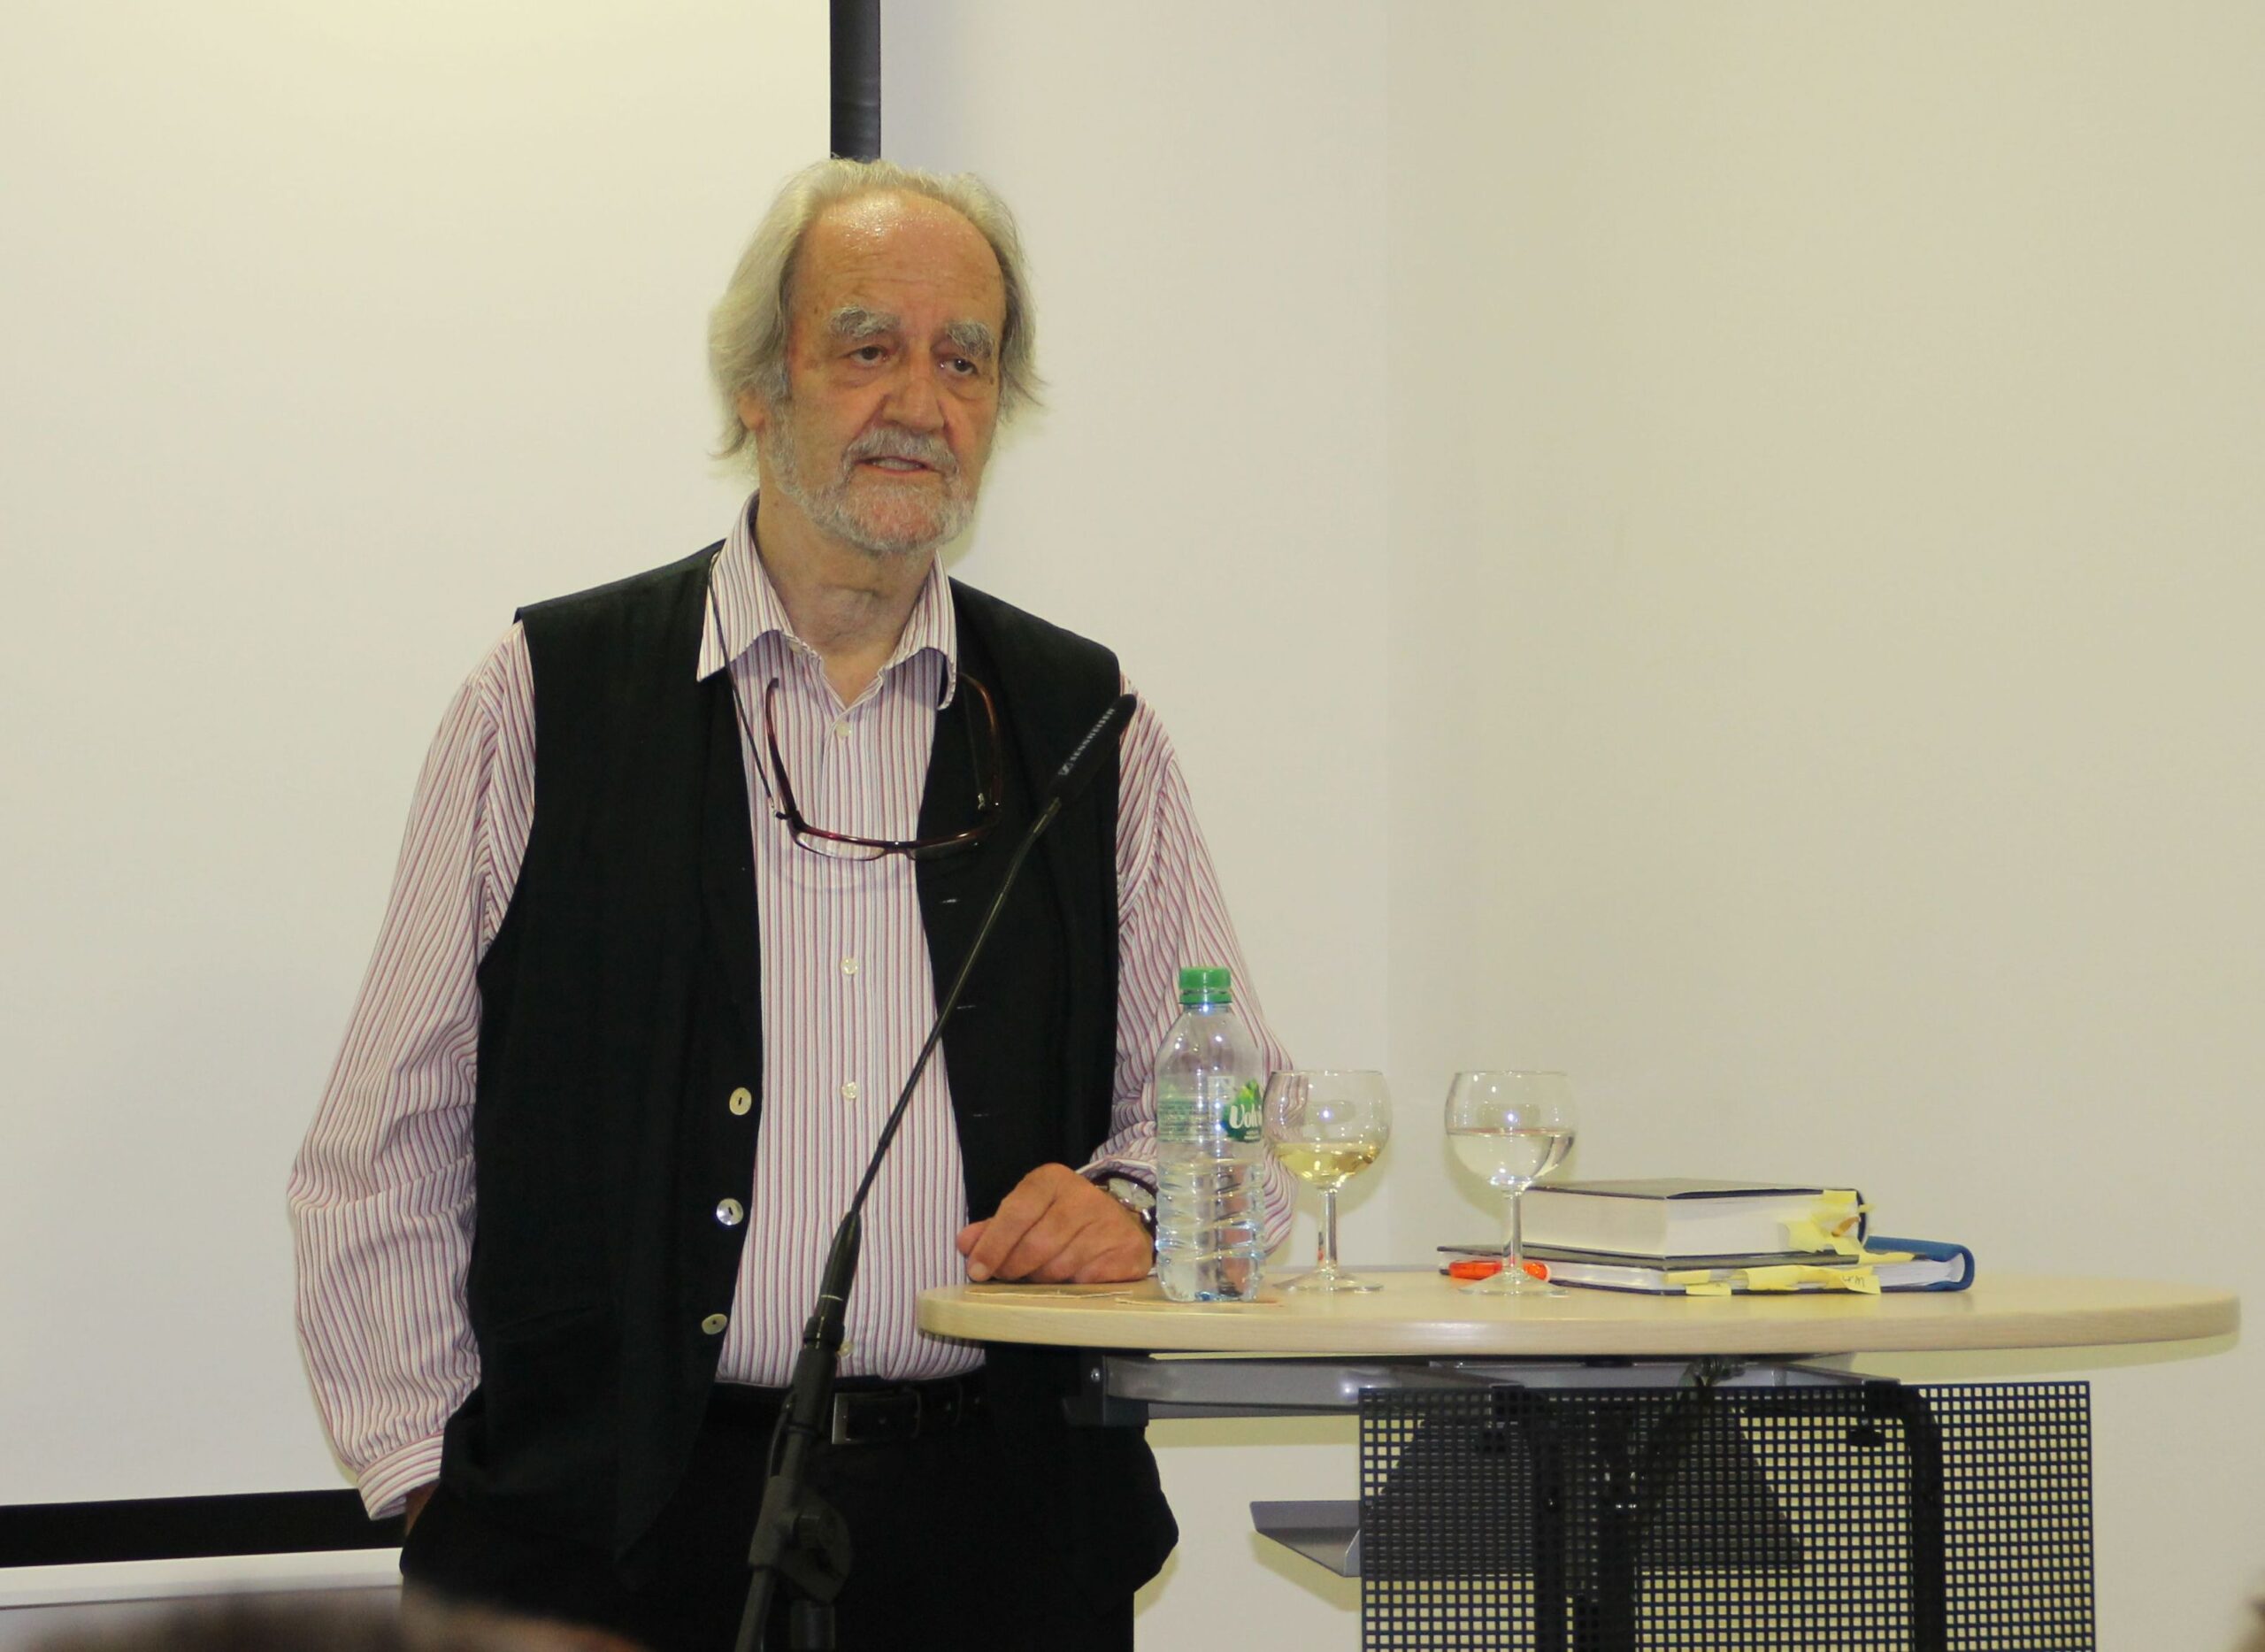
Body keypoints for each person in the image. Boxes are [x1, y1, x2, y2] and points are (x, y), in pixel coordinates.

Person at [288, 157, 1293, 1651]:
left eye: (965, 361)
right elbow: (386, 1140)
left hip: (998, 1543)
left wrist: (1135, 1207)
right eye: (868, 346)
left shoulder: (1087, 723)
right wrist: (437, 1493)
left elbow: (1242, 1122)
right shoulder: (546, 695)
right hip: (609, 1550)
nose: (920, 401)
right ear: (759, 387)